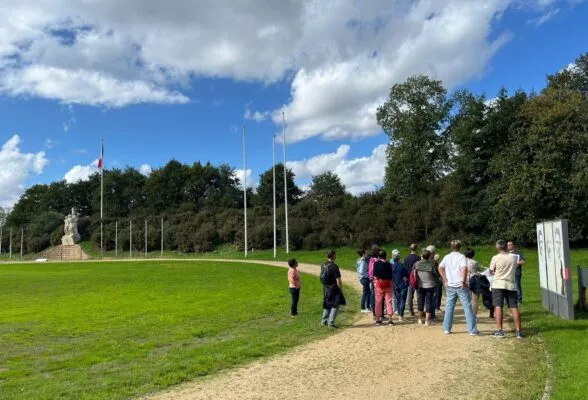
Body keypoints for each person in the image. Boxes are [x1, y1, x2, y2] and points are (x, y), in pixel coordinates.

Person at [438, 240, 479, 336]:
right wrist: (463, 281)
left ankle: (447, 328)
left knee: (449, 307)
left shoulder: (447, 257)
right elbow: (464, 268)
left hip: (450, 285)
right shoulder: (461, 257)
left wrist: (445, 279)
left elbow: (440, 268)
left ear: (451, 247)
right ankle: (472, 330)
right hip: (461, 285)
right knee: (467, 307)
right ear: (460, 247)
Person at [490, 240, 524, 339]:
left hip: (498, 284)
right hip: (511, 284)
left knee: (498, 306)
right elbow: (516, 266)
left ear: (497, 247)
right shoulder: (514, 257)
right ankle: (518, 331)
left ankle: (500, 331)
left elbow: (491, 270)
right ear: (506, 247)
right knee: (514, 307)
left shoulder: (495, 258)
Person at [321, 250, 345, 328]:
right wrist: (340, 289)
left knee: (327, 304)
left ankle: (324, 321)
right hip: (333, 288)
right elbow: (338, 280)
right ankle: (331, 323)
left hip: (326, 287)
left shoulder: (323, 264)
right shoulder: (334, 266)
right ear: (334, 256)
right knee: (335, 305)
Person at [415, 249, 436, 325]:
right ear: (429, 256)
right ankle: (427, 321)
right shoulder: (432, 264)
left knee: (420, 302)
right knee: (428, 302)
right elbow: (435, 274)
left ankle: (419, 319)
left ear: (422, 255)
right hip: (430, 285)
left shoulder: (417, 264)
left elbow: (414, 273)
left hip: (420, 285)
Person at [373, 250, 394, 325]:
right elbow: (391, 275)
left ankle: (378, 319)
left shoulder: (376, 263)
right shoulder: (389, 264)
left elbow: (375, 275)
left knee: (378, 302)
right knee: (389, 302)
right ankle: (390, 320)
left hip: (379, 284)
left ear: (379, 257)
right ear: (385, 256)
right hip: (388, 284)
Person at [391, 249, 409, 321]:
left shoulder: (392, 266)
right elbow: (406, 275)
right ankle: (401, 315)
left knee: (398, 300)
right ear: (399, 258)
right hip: (403, 285)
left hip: (395, 285)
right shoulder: (402, 266)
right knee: (402, 301)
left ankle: (399, 314)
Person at [404, 243, 421, 316]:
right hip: (417, 278)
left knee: (410, 295)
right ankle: (420, 310)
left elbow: (405, 268)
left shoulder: (406, 258)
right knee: (419, 295)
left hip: (409, 278)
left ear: (410, 249)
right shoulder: (418, 258)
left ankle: (411, 310)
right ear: (416, 249)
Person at [426, 245, 442, 320]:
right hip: (433, 282)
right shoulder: (433, 262)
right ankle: (431, 315)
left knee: (428, 298)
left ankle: (428, 314)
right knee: (433, 298)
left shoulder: (424, 260)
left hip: (425, 282)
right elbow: (435, 273)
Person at [465, 248, 482, 320]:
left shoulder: (462, 261)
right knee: (475, 299)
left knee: (466, 299)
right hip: (474, 281)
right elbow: (480, 269)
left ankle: (468, 315)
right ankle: (474, 316)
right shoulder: (474, 262)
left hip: (465, 281)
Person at [356, 249, 370, 313]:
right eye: (366, 253)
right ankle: (363, 308)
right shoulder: (363, 262)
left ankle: (367, 306)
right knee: (365, 293)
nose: (367, 254)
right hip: (364, 278)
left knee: (368, 292)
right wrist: (368, 274)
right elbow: (361, 271)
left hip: (362, 278)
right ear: (363, 254)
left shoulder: (359, 260)